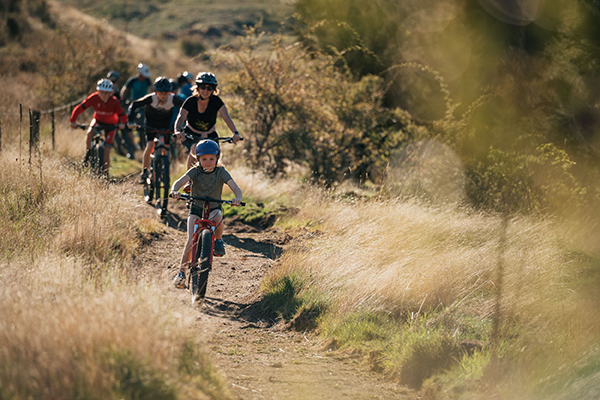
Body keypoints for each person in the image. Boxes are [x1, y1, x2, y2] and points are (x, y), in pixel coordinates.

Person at [170, 139, 243, 288]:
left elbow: (236, 188)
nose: (208, 162)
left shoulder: (221, 172)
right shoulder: (195, 171)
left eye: (212, 159)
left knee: (218, 217)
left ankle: (218, 240)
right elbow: (179, 182)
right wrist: (174, 191)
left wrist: (238, 198)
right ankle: (181, 273)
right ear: (198, 159)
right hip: (196, 209)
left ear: (217, 158)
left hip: (214, 208)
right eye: (204, 159)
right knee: (191, 240)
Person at [173, 72, 242, 171]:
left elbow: (226, 116)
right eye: (202, 87)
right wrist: (178, 130)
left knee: (215, 156)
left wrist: (235, 132)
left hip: (210, 134)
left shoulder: (216, 101)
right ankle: (189, 181)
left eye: (209, 88)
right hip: (192, 134)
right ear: (198, 88)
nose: (205, 91)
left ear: (213, 90)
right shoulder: (190, 101)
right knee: (195, 148)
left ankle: (213, 182)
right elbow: (181, 116)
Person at [127, 76, 185, 183]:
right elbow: (134, 105)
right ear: (156, 91)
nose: (163, 95)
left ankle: (165, 169)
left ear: (169, 92)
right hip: (151, 124)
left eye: (165, 93)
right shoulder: (151, 98)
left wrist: (188, 123)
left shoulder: (173, 99)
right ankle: (144, 172)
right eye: (160, 93)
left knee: (166, 148)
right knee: (149, 146)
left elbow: (186, 108)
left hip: (165, 125)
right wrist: (130, 120)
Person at [69, 78, 127, 174]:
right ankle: (88, 153)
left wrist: (122, 124)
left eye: (106, 93)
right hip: (98, 121)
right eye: (101, 92)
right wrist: (73, 121)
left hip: (112, 125)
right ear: (98, 91)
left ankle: (105, 174)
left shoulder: (115, 102)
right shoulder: (94, 98)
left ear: (110, 93)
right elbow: (80, 108)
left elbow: (123, 115)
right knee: (89, 134)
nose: (103, 95)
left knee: (107, 149)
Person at [120, 63, 153, 158]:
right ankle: (132, 147)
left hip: (144, 104)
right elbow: (125, 89)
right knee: (129, 123)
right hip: (133, 103)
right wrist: (123, 98)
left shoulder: (147, 80)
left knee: (145, 123)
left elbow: (152, 89)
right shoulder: (133, 80)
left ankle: (143, 145)